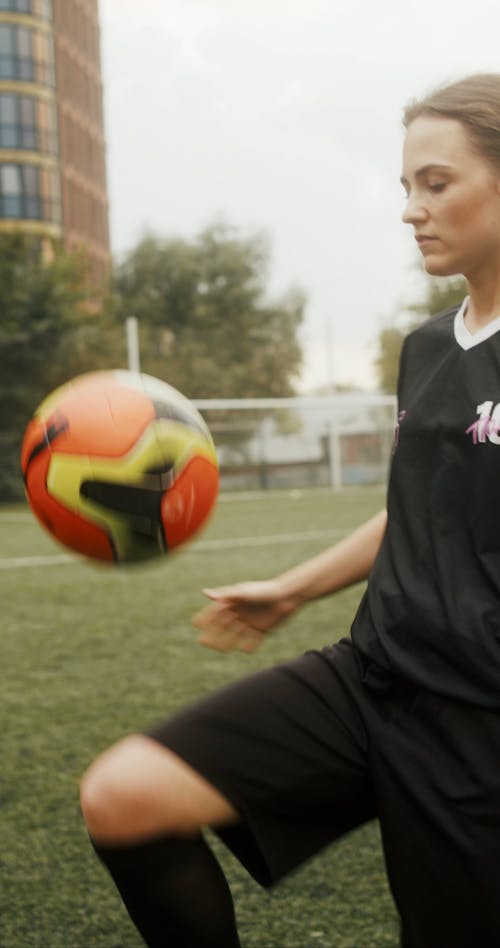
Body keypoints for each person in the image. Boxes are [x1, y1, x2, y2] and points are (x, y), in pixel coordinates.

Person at [80, 73, 500, 948]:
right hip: (372, 676)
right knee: (126, 794)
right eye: (405, 186)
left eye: (437, 183)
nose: (411, 209)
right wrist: (292, 590)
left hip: (480, 720)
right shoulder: (427, 345)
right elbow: (421, 508)